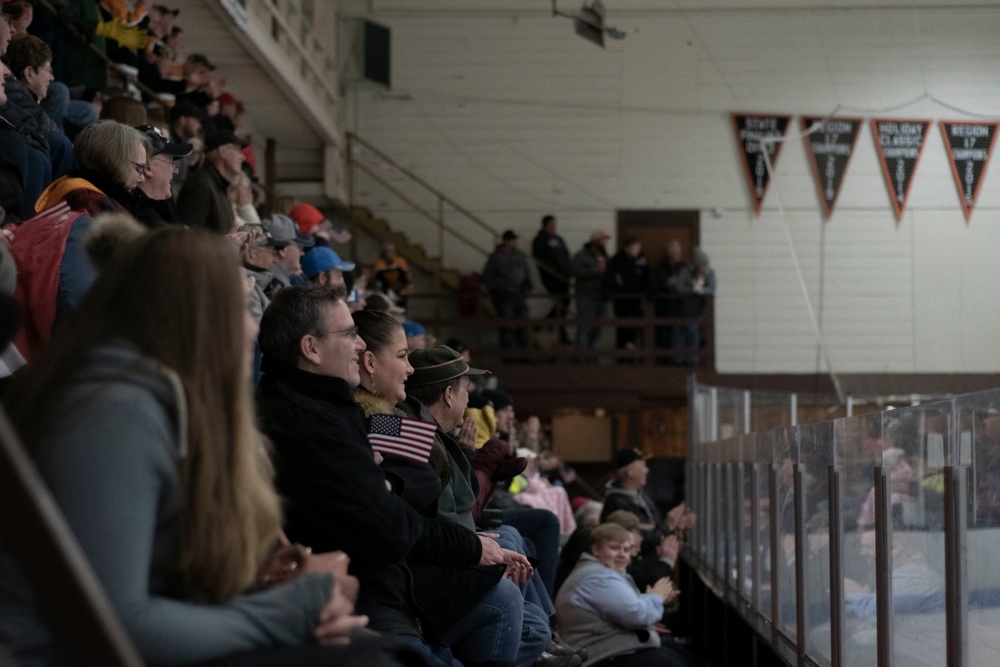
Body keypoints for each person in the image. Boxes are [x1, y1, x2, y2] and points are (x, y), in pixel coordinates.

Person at [0, 229, 384, 666]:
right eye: (240, 306)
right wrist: (289, 612)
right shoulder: (116, 413)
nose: (253, 327)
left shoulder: (150, 399)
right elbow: (115, 624)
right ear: (195, 316)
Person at [255, 285, 519, 667]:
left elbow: (427, 479)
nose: (409, 369)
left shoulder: (376, 411)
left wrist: (393, 482)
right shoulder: (368, 415)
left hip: (400, 576)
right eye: (401, 356)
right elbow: (411, 502)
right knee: (504, 594)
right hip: (384, 590)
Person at [9, 120, 150, 358]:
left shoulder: (84, 194)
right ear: (114, 159)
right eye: (139, 168)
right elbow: (81, 303)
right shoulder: (88, 204)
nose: (143, 178)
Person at [555, 523, 688, 667]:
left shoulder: (597, 572)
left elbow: (626, 609)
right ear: (596, 549)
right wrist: (656, 597)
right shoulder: (598, 578)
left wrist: (650, 600)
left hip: (611, 651)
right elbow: (636, 614)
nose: (622, 554)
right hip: (604, 657)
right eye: (614, 548)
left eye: (626, 549)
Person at [177, 129, 246, 233]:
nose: (243, 157)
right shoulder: (199, 185)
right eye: (237, 150)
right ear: (222, 151)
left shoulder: (218, 186)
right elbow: (189, 239)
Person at [482, 229, 533, 350]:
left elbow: (527, 274)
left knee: (523, 326)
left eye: (515, 240)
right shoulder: (496, 257)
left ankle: (523, 353)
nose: (515, 243)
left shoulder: (520, 256)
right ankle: (508, 355)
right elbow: (487, 276)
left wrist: (527, 288)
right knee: (506, 327)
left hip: (519, 297)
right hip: (504, 298)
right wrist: (496, 290)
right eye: (513, 240)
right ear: (506, 241)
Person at [131, 123, 191, 227]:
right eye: (171, 163)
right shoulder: (144, 220)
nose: (176, 171)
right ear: (149, 167)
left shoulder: (164, 206)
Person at [604, 237, 652, 355]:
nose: (636, 250)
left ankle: (635, 354)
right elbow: (609, 278)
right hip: (621, 299)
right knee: (623, 326)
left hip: (637, 299)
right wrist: (609, 293)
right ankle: (622, 355)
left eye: (638, 248)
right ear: (626, 248)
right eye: (634, 248)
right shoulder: (617, 260)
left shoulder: (641, 259)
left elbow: (648, 277)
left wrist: (649, 292)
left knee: (636, 326)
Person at [531, 214, 572, 345]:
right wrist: (552, 273)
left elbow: (565, 255)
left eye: (555, 225)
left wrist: (567, 271)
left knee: (564, 303)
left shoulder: (559, 239)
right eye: (551, 225)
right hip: (551, 277)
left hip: (563, 277)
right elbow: (541, 259)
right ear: (545, 226)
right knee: (561, 303)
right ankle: (555, 329)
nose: (554, 227)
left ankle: (557, 329)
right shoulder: (539, 240)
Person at [572, 230, 610, 351]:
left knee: (598, 327)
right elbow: (574, 271)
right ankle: (582, 356)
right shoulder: (582, 255)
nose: (605, 243)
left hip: (601, 296)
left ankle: (591, 354)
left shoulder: (605, 256)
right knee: (585, 327)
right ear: (595, 241)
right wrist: (595, 271)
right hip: (587, 296)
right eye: (602, 240)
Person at [268, 213, 314, 291]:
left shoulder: (269, 276)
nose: (302, 253)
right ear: (283, 250)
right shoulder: (281, 287)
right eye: (299, 247)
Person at [372, 242, 413, 307]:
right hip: (385, 290)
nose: (390, 254)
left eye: (392, 251)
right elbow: (377, 276)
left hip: (400, 290)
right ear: (384, 252)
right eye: (387, 251)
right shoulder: (379, 263)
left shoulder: (400, 261)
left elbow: (406, 276)